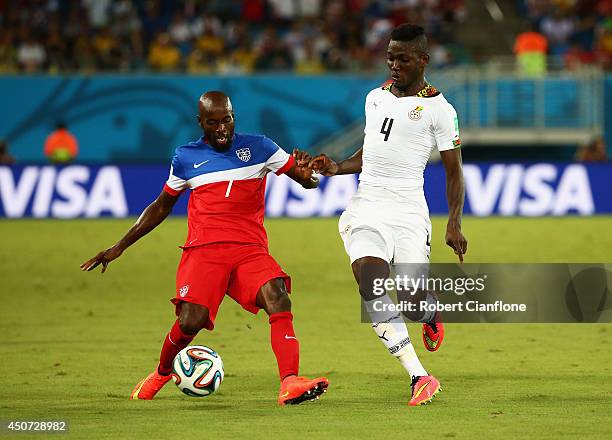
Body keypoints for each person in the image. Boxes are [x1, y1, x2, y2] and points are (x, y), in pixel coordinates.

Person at [80, 91, 329, 405]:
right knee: (190, 321)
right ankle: (161, 372)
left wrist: (310, 177)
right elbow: (160, 207)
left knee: (278, 295)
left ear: (233, 116)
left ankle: (290, 382)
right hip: (204, 251)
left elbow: (307, 179)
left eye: (227, 119)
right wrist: (119, 247)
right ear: (201, 123)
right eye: (213, 122)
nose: (222, 128)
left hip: (249, 250)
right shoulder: (186, 157)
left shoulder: (261, 147)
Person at [307, 24, 467, 406]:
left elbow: (454, 171)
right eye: (390, 57)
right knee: (371, 281)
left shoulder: (440, 110)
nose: (394, 64)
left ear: (423, 61)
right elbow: (371, 152)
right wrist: (336, 167)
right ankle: (419, 376)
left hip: (409, 211)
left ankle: (428, 314)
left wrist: (454, 222)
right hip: (368, 206)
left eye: (403, 58)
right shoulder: (374, 98)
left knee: (412, 303)